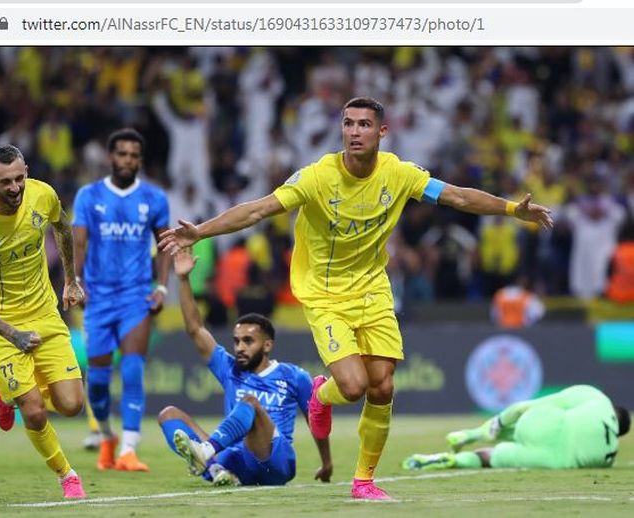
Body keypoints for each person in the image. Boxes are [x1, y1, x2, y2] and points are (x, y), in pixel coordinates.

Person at [157, 96, 553, 500]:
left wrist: (509, 209)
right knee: (352, 387)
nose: (354, 132)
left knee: (382, 386)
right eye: (348, 124)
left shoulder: (399, 173)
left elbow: (456, 196)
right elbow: (258, 210)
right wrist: (201, 231)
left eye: (364, 125)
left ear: (382, 132)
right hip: (326, 294)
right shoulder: (317, 176)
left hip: (373, 289)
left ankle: (363, 480)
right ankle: (319, 395)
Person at [0, 145, 87, 498]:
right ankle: (66, 475)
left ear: (26, 170)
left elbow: (63, 227)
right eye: (5, 183)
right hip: (1, 325)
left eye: (19, 178)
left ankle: (7, 390)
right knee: (34, 411)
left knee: (72, 405)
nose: (15, 188)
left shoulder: (42, 195)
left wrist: (70, 280)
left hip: (44, 312)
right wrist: (12, 333)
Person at [157, 248, 332, 487]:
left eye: (248, 341)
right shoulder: (229, 369)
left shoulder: (294, 376)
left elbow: (316, 420)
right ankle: (218, 468)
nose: (240, 347)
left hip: (276, 462)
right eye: (237, 341)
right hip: (237, 459)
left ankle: (207, 456)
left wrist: (327, 462)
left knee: (250, 403)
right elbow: (196, 329)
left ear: (267, 345)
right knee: (168, 414)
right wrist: (184, 280)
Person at [72, 128, 171, 472]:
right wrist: (75, 282)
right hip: (98, 298)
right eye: (122, 154)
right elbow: (79, 243)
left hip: (135, 297)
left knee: (132, 369)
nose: (128, 160)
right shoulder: (89, 195)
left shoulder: (155, 199)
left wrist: (162, 288)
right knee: (97, 383)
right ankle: (107, 436)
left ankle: (129, 449)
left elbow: (165, 245)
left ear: (140, 160)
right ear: (111, 157)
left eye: (134, 155)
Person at [403, 385, 631, 470]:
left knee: (522, 418)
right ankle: (451, 460)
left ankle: (474, 434)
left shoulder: (597, 397)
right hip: (549, 461)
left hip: (542, 426)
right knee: (489, 459)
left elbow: (530, 406)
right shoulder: (609, 456)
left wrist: (501, 420)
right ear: (618, 434)